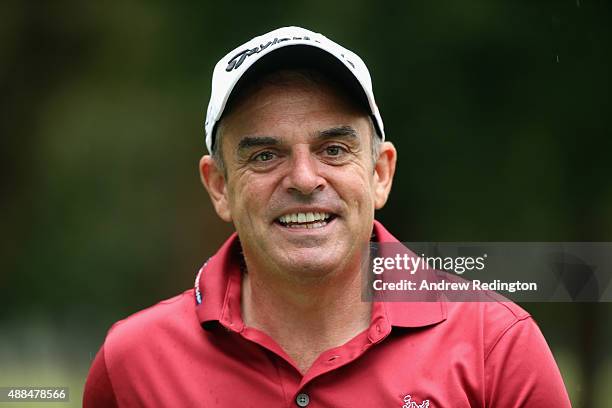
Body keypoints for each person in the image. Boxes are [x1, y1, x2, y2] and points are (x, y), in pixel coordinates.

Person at [84, 26, 571, 407]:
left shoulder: (496, 345)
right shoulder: (132, 362)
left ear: (380, 173)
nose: (303, 178)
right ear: (219, 186)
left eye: (333, 149)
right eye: (265, 156)